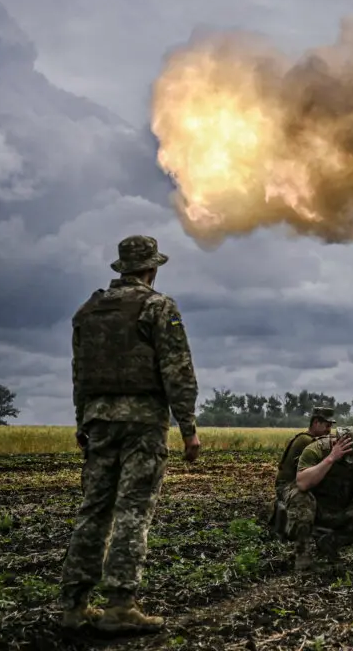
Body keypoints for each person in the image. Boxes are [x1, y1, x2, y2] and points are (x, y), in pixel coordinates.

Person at [59, 235, 201, 633]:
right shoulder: (158, 306)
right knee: (132, 511)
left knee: (93, 511)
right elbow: (178, 371)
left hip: (98, 421)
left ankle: (74, 605)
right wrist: (188, 428)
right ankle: (120, 605)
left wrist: (81, 422)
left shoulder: (87, 311)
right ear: (151, 268)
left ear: (121, 268)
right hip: (142, 423)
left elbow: (79, 376)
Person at [286, 425, 353, 568]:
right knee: (300, 497)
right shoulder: (316, 450)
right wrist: (331, 458)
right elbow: (303, 483)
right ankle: (302, 550)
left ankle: (331, 540)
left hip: (341, 507)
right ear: (334, 443)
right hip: (315, 508)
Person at [267, 406, 336, 538]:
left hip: (299, 480)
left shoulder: (310, 439)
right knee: (304, 499)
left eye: (330, 426)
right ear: (316, 423)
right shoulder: (307, 441)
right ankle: (295, 531)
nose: (329, 430)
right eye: (327, 425)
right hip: (287, 485)